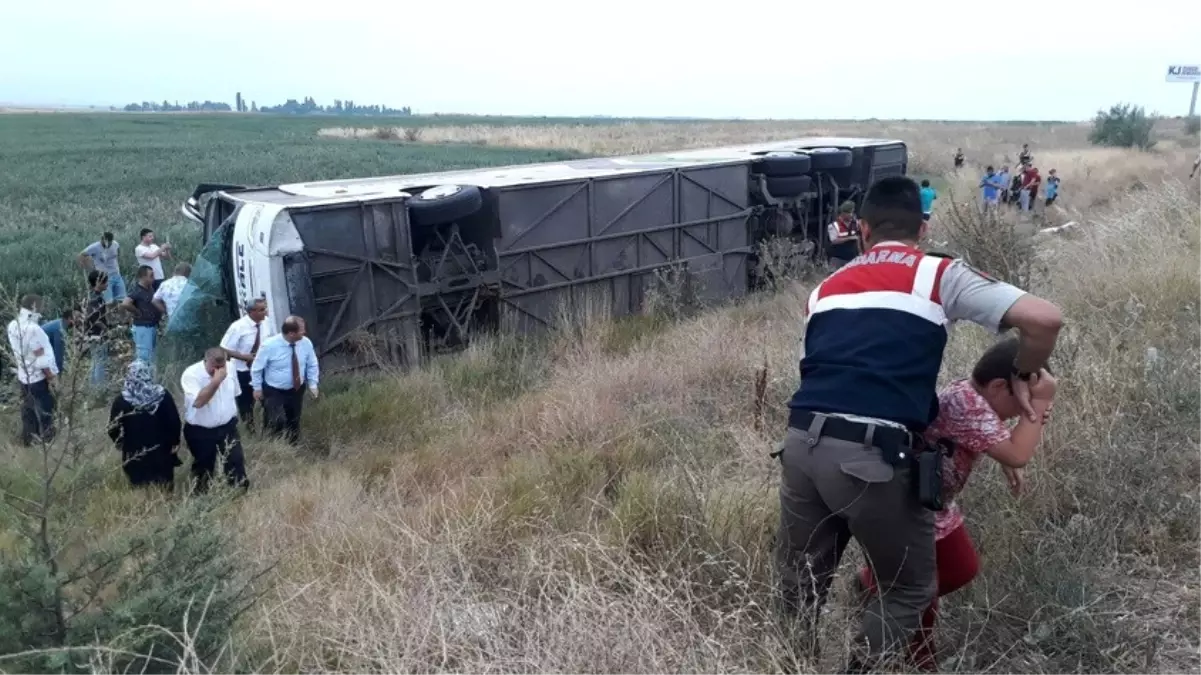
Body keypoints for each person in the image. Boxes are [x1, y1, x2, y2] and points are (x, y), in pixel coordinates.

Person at [773, 175, 1063, 671]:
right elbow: (1045, 319)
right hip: (872, 456)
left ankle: (787, 664)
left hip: (800, 445)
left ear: (861, 230)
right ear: (923, 228)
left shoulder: (823, 290)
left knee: (801, 584)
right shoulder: (936, 274)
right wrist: (1021, 372)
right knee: (909, 586)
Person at [855, 337, 1058, 670]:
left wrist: (1006, 456)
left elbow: (993, 436)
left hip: (932, 502)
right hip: (908, 506)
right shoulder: (968, 405)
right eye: (1024, 401)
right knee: (922, 589)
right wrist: (1041, 403)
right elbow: (1018, 452)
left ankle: (871, 585)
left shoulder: (972, 394)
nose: (1027, 411)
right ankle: (918, 660)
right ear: (998, 387)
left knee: (962, 568)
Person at [180, 347, 249, 494]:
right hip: (201, 430)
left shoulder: (230, 368)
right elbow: (198, 402)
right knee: (204, 467)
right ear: (206, 361)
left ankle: (239, 494)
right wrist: (216, 381)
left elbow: (235, 393)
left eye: (221, 366)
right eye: (214, 367)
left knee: (235, 461)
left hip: (228, 427)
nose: (218, 370)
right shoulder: (191, 374)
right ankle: (201, 497)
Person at [107, 360, 182, 492]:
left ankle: (141, 509)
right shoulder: (162, 395)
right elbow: (174, 421)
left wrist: (120, 443)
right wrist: (175, 442)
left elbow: (113, 427)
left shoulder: (123, 399)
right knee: (164, 486)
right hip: (161, 449)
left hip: (134, 450)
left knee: (138, 486)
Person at [251, 315, 320, 446]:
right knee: (277, 420)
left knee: (293, 420)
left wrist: (313, 384)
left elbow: (312, 363)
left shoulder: (305, 343)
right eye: (301, 330)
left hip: (296, 388)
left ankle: (293, 447)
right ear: (291, 333)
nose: (304, 333)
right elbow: (257, 368)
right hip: (274, 389)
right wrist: (257, 388)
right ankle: (274, 445)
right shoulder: (269, 346)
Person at [6, 294, 59, 446]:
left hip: (24, 375)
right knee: (46, 409)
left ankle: (29, 440)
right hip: (38, 377)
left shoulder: (12, 325)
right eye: (40, 305)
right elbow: (40, 357)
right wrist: (51, 377)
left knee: (28, 410)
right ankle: (48, 441)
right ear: (34, 306)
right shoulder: (33, 329)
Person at [219, 298, 275, 431]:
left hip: (262, 369)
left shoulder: (267, 323)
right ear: (251, 312)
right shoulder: (238, 327)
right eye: (261, 310)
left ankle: (270, 431)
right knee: (246, 404)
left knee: (269, 402)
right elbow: (224, 348)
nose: (265, 312)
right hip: (243, 371)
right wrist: (244, 357)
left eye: (265, 308)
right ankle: (250, 431)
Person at [120, 265, 163, 367]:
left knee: (151, 357)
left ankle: (149, 380)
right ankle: (141, 380)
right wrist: (137, 312)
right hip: (143, 328)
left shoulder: (150, 289)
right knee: (143, 358)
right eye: (151, 276)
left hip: (151, 326)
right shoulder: (137, 290)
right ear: (143, 277)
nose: (153, 278)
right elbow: (125, 303)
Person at [77, 232, 125, 303]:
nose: (108, 244)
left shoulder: (115, 244)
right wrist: (89, 268)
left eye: (110, 243)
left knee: (122, 300)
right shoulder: (95, 247)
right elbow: (81, 255)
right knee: (109, 302)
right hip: (104, 278)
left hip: (117, 275)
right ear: (102, 240)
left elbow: (118, 253)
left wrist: (120, 263)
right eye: (106, 242)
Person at [84, 270, 111, 388]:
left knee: (96, 361)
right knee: (100, 361)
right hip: (97, 334)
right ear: (98, 282)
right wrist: (105, 328)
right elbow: (93, 315)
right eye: (105, 282)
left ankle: (93, 388)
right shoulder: (95, 298)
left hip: (91, 333)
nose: (107, 284)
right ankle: (99, 389)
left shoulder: (93, 295)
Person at [825, 201, 861, 268]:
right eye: (850, 212)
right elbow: (834, 240)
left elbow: (859, 238)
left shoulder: (855, 224)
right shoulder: (834, 225)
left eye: (852, 212)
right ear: (843, 213)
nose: (851, 215)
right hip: (837, 260)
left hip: (852, 259)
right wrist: (849, 238)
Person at [39, 309, 75, 375]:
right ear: (70, 319)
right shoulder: (60, 329)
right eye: (78, 318)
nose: (80, 321)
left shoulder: (59, 322)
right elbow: (58, 354)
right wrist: (58, 374)